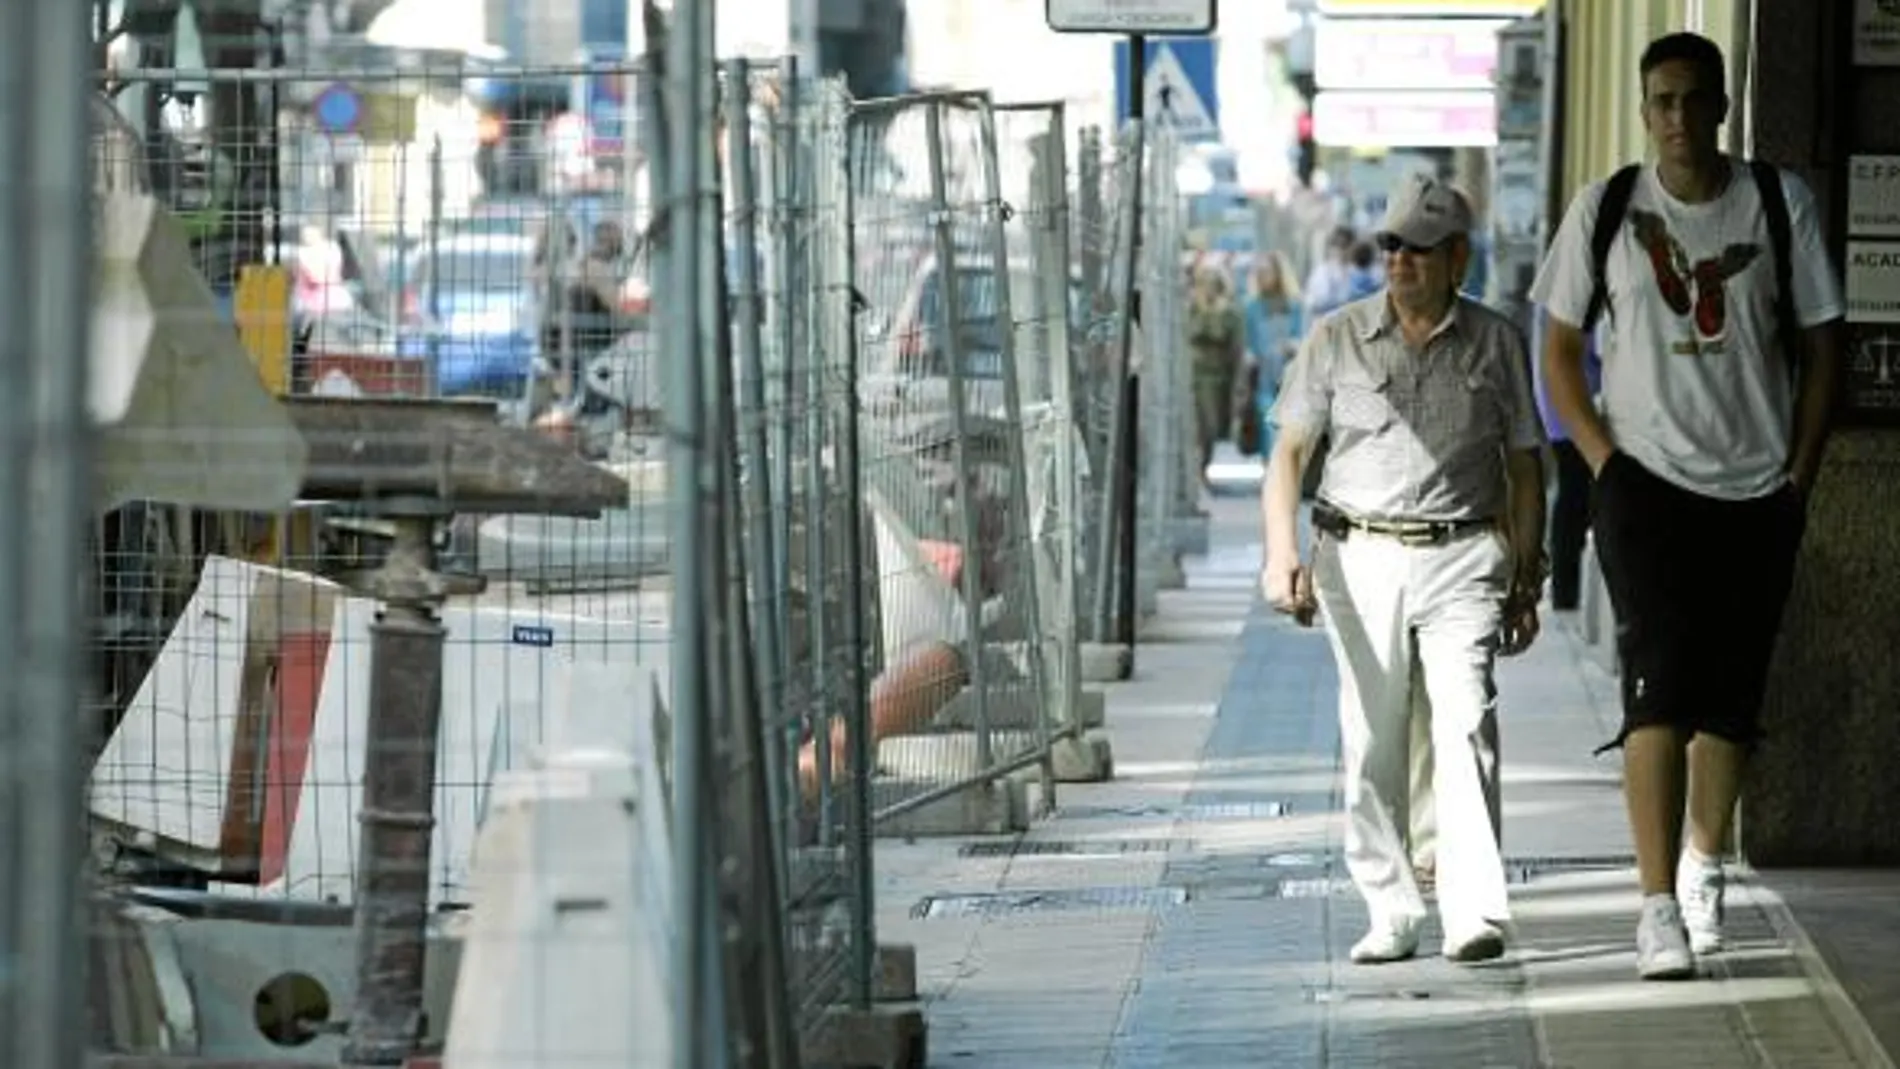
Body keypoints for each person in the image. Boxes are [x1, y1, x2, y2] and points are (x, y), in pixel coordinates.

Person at [1528, 31, 1844, 981]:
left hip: (1757, 488)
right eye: (1660, 101)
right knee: (1658, 687)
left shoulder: (1779, 205)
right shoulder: (1608, 209)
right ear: (1643, 110)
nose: (1677, 118)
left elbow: (1825, 348)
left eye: (1693, 99)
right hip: (1646, 489)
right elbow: (1556, 348)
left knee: (1731, 701)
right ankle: (1657, 904)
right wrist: (1603, 462)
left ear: (1721, 107)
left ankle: (1706, 863)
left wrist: (1799, 475)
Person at [1262, 174, 1547, 965]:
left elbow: (1527, 466)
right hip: (1358, 556)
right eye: (1391, 246)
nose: (1400, 262)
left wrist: (1529, 571)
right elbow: (1287, 453)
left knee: (1464, 725)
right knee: (1372, 742)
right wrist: (1281, 551)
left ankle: (1472, 909)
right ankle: (1390, 908)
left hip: (1463, 557)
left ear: (1458, 257)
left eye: (1418, 249)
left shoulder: (1497, 342)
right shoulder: (1335, 337)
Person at [1530, 308, 1603, 610]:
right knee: (1575, 498)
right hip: (1576, 406)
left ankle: (1565, 590)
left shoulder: (1554, 291)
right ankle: (1566, 590)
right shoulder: (1571, 290)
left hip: (1562, 407)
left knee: (1572, 496)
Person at [1187, 265, 1247, 477]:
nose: (1208, 290)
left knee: (1211, 428)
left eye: (1213, 285)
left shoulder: (1230, 313)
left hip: (1219, 379)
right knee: (1196, 427)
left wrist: (1240, 383)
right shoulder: (1191, 309)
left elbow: (1237, 349)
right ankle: (1197, 472)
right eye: (1204, 285)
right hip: (1193, 375)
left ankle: (1203, 466)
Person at [1244, 251, 1304, 461]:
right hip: (1263, 374)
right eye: (1259, 272)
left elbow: (1300, 336)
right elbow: (1248, 341)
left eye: (1266, 271)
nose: (1262, 276)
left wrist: (1292, 345)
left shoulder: (1293, 304)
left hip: (1288, 373)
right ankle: (1270, 464)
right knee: (1266, 418)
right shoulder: (1252, 306)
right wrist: (1250, 356)